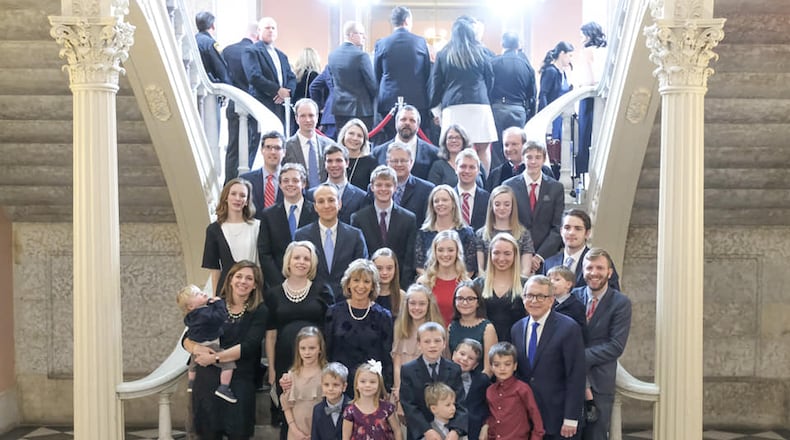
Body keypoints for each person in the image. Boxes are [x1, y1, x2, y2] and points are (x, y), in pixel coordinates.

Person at [184, 260, 268, 439]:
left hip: (239, 380)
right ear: (230, 279)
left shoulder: (260, 311)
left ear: (254, 285)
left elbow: (249, 346)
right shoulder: (213, 304)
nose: (243, 281)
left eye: (249, 278)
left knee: (238, 432)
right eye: (238, 276)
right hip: (207, 380)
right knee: (207, 433)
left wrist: (215, 358)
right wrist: (198, 349)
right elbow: (186, 339)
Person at [265, 241, 334, 421]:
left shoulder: (323, 290)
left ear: (312, 264)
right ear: (288, 261)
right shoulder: (273, 294)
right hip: (284, 361)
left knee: (317, 414)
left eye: (306, 258)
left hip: (316, 363)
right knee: (289, 414)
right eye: (297, 257)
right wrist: (272, 369)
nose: (301, 262)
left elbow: (330, 329)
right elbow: (271, 335)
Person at [512, 275, 586, 440]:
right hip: (527, 417)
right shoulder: (517, 328)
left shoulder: (568, 328)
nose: (534, 300)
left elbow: (576, 375)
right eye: (529, 295)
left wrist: (571, 418)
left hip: (559, 418)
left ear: (551, 300)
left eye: (541, 296)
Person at [571, 248, 631, 440]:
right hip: (568, 381)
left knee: (595, 436)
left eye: (599, 268)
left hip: (599, 382)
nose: (594, 272)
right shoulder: (572, 296)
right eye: (589, 267)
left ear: (609, 272)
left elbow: (615, 346)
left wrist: (577, 358)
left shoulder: (621, 303)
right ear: (583, 270)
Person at [430, 17, 496, 175]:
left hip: (453, 105)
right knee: (483, 149)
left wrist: (435, 109)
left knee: (454, 150)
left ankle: (455, 184)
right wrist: (486, 97)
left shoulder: (444, 53)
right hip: (479, 103)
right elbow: (491, 79)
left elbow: (436, 83)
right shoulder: (483, 51)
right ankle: (482, 184)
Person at [325, 259, 393, 395]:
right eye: (356, 280)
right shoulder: (334, 312)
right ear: (348, 283)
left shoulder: (383, 316)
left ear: (373, 286)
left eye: (366, 282)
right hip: (339, 387)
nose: (361, 286)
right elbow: (327, 352)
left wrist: (387, 388)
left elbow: (387, 356)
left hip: (371, 387)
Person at [295, 184, 368, 299]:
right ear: (315, 206)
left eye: (331, 200)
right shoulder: (301, 235)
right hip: (312, 301)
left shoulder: (355, 236)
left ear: (339, 204)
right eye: (321, 201)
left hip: (347, 301)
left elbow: (362, 271)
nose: (326, 205)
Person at [400, 322, 468, 440]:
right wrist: (427, 430)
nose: (432, 345)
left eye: (437, 341)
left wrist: (456, 431)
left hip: (449, 432)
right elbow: (408, 405)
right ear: (419, 344)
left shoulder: (454, 369)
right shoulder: (408, 370)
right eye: (427, 341)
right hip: (421, 432)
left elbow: (461, 402)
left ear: (444, 344)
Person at [374, 6, 433, 142]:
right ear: (407, 20)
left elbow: (377, 74)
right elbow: (427, 73)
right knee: (416, 142)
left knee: (390, 141)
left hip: (388, 100)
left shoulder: (382, 43)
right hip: (417, 100)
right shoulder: (420, 42)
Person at [351, 165, 417, 285]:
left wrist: (403, 287)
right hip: (368, 285)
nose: (383, 189)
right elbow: (358, 257)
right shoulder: (358, 218)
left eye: (388, 185)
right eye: (379, 185)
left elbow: (409, 258)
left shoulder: (408, 219)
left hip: (398, 284)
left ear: (395, 188)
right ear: (372, 187)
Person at [503, 141, 564, 271]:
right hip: (514, 254)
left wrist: (539, 257)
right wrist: (523, 254)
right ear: (523, 159)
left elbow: (557, 226)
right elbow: (505, 221)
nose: (533, 161)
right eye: (529, 157)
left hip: (545, 258)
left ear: (544, 159)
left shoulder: (556, 188)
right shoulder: (508, 186)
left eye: (538, 157)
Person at [258, 163, 318, 289]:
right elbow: (264, 253)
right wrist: (281, 284)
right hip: (278, 285)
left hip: (312, 283)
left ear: (304, 184)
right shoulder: (268, 214)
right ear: (280, 184)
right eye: (285, 180)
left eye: (295, 180)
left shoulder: (316, 211)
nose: (290, 184)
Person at [391, 284, 445, 424]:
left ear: (429, 305)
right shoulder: (400, 328)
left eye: (422, 304)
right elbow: (397, 364)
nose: (417, 308)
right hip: (406, 390)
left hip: (431, 392)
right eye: (412, 303)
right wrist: (399, 391)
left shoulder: (437, 329)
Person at [176, 285, 236, 402]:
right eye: (198, 294)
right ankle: (224, 387)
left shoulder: (191, 317)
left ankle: (191, 383)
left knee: (193, 362)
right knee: (229, 364)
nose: (203, 293)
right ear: (191, 306)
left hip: (198, 345)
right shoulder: (204, 313)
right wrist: (218, 304)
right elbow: (220, 317)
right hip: (211, 344)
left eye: (201, 291)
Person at [202, 178, 259, 294]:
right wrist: (215, 296)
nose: (238, 198)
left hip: (253, 288)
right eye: (233, 194)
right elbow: (215, 269)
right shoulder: (213, 230)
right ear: (226, 197)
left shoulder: (257, 226)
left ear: (247, 201)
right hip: (225, 290)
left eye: (242, 195)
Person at [489, 32, 537, 171]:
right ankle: (517, 176)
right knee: (517, 147)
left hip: (497, 108)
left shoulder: (494, 62)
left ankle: (498, 180)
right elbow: (532, 95)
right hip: (518, 109)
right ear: (519, 45)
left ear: (502, 44)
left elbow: (488, 87)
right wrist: (530, 116)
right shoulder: (527, 66)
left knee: (498, 149)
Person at [542, 208, 621, 290]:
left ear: (587, 233)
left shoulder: (600, 261)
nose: (571, 232)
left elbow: (613, 295)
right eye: (567, 228)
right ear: (561, 231)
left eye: (578, 229)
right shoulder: (548, 263)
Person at [242, 16, 297, 132]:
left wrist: (287, 93)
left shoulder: (281, 55)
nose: (271, 30)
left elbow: (292, 77)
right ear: (259, 31)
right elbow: (254, 76)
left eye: (273, 28)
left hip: (282, 106)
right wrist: (277, 90)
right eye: (267, 28)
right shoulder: (251, 51)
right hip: (263, 103)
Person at [481, 342, 544, 440]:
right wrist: (486, 425)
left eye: (507, 364)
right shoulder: (490, 391)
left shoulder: (522, 389)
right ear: (491, 367)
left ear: (515, 366)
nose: (502, 368)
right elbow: (492, 415)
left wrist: (536, 437)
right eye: (497, 365)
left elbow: (535, 415)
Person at [473, 232, 527, 343]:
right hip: (482, 346)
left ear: (515, 255)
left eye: (507, 253)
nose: (501, 258)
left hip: (516, 346)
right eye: (496, 253)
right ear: (490, 254)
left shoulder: (526, 284)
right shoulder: (477, 285)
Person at [222, 22, 259, 183]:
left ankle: (229, 183)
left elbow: (222, 75)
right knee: (253, 145)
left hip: (233, 101)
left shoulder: (227, 51)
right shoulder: (257, 52)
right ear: (257, 34)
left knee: (232, 147)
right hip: (253, 103)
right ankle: (247, 181)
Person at [415, 185, 477, 276]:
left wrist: (453, 284)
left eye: (444, 200)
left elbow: (470, 268)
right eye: (436, 201)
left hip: (459, 285)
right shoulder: (424, 232)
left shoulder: (466, 232)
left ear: (453, 203)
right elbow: (419, 266)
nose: (440, 203)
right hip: (430, 284)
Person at [329, 21, 378, 130]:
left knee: (342, 141)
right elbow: (372, 85)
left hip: (339, 108)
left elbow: (332, 81)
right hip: (360, 109)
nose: (364, 37)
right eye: (361, 33)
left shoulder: (332, 55)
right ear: (351, 35)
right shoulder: (361, 56)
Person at [371, 105, 440, 181]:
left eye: (412, 120)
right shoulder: (378, 153)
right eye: (403, 119)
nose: (407, 123)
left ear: (418, 125)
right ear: (396, 123)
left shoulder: (433, 153)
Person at [416, 230, 471, 325]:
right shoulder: (423, 282)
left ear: (457, 252)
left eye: (450, 250)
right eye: (441, 250)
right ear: (435, 252)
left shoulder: (467, 283)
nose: (445, 255)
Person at [475, 185, 534, 274]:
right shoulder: (481, 234)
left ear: (512, 206)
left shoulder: (523, 234)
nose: (502, 208)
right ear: (491, 206)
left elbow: (526, 269)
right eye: (497, 204)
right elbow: (480, 269)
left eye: (506, 204)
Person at [282, 326, 327, 440]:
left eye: (312, 348)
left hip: (321, 432)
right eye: (303, 348)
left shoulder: (327, 374)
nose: (307, 352)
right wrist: (295, 431)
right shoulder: (292, 375)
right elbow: (287, 407)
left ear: (320, 348)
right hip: (296, 433)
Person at [307, 144, 368, 224]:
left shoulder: (361, 197)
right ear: (325, 164)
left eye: (338, 160)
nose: (334, 165)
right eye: (329, 161)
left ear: (347, 163)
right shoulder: (311, 194)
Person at [576, 22, 607, 178]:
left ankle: (584, 173)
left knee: (585, 136)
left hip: (589, 96)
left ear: (588, 35)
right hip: (603, 96)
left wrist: (581, 83)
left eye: (582, 35)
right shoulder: (605, 51)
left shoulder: (587, 51)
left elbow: (590, 78)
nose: (580, 39)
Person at [342, 359, 401, 440]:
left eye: (372, 382)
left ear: (379, 384)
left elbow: (397, 431)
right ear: (356, 385)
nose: (367, 385)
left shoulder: (388, 408)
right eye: (363, 381)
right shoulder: (350, 411)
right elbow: (345, 437)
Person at [282, 98, 335, 189]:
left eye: (311, 115)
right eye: (303, 116)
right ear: (296, 118)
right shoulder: (286, 147)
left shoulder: (329, 145)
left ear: (317, 117)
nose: (308, 120)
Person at [447, 281, 497, 375]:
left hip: (479, 384)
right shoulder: (451, 327)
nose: (465, 303)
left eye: (470, 299)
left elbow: (489, 369)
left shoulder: (487, 328)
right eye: (460, 298)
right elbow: (447, 362)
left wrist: (474, 388)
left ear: (478, 302)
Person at [383, 142, 435, 227]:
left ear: (411, 162)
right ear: (387, 162)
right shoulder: (376, 188)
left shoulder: (427, 189)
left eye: (403, 161)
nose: (399, 164)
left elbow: (428, 223)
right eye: (395, 161)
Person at [240, 130, 285, 218]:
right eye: (268, 147)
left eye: (277, 148)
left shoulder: (293, 182)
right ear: (262, 150)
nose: (272, 152)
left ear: (284, 152)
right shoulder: (245, 180)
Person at [451, 339, 488, 440]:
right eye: (462, 354)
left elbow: (488, 406)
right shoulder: (441, 376)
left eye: (471, 358)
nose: (464, 359)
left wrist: (486, 425)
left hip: (472, 431)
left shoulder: (482, 381)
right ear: (453, 354)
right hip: (446, 430)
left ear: (475, 365)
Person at [538, 41, 574, 143]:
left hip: (561, 115)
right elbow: (543, 94)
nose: (570, 59)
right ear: (562, 54)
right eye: (569, 55)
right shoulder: (551, 71)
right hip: (552, 115)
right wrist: (545, 115)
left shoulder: (563, 73)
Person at [312, 362, 352, 440]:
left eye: (335, 385)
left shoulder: (352, 407)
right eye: (326, 385)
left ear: (344, 386)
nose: (330, 389)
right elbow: (315, 436)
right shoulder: (317, 409)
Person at [453, 149, 489, 230]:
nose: (467, 171)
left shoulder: (488, 198)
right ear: (456, 168)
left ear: (478, 171)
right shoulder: (448, 196)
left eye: (472, 167)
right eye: (463, 166)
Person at [338, 119, 379, 190]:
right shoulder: (334, 159)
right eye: (351, 133)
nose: (355, 138)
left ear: (364, 140)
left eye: (359, 136)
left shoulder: (371, 162)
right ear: (344, 135)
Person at [195, 11, 230, 84]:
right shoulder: (213, 44)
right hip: (212, 83)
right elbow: (220, 67)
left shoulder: (193, 40)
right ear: (212, 25)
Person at [371, 248, 404, 316]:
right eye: (379, 268)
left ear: (395, 269)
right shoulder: (366, 295)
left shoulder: (402, 296)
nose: (384, 272)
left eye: (389, 268)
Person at [310, 65, 337, 139]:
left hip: (329, 115)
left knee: (329, 148)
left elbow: (313, 87)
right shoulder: (357, 63)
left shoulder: (330, 67)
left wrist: (320, 107)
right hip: (353, 113)